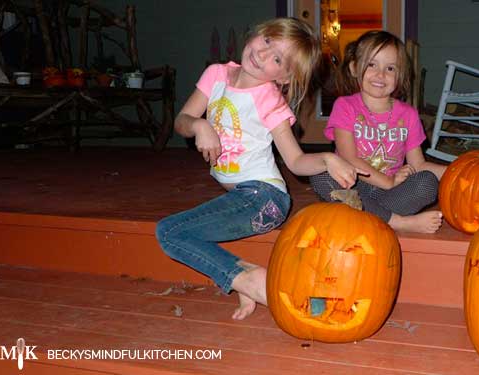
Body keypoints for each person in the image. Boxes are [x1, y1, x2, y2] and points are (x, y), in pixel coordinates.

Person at [155, 18, 364, 321]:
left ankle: (250, 280)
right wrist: (200, 125)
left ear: (284, 77)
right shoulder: (217, 74)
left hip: (265, 199)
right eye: (267, 41)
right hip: (242, 198)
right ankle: (245, 275)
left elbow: (294, 161)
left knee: (169, 232)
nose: (263, 54)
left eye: (278, 58)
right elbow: (182, 119)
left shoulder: (270, 100)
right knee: (175, 233)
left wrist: (328, 159)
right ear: (257, 34)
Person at [310, 31, 446, 234]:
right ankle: (396, 222)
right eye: (372, 64)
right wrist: (388, 182)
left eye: (390, 68)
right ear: (354, 67)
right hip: (354, 186)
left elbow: (418, 164)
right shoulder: (345, 106)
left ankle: (367, 215)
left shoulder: (408, 114)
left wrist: (459, 172)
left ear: (399, 76)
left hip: (389, 195)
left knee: (427, 182)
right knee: (321, 173)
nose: (380, 74)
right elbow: (349, 158)